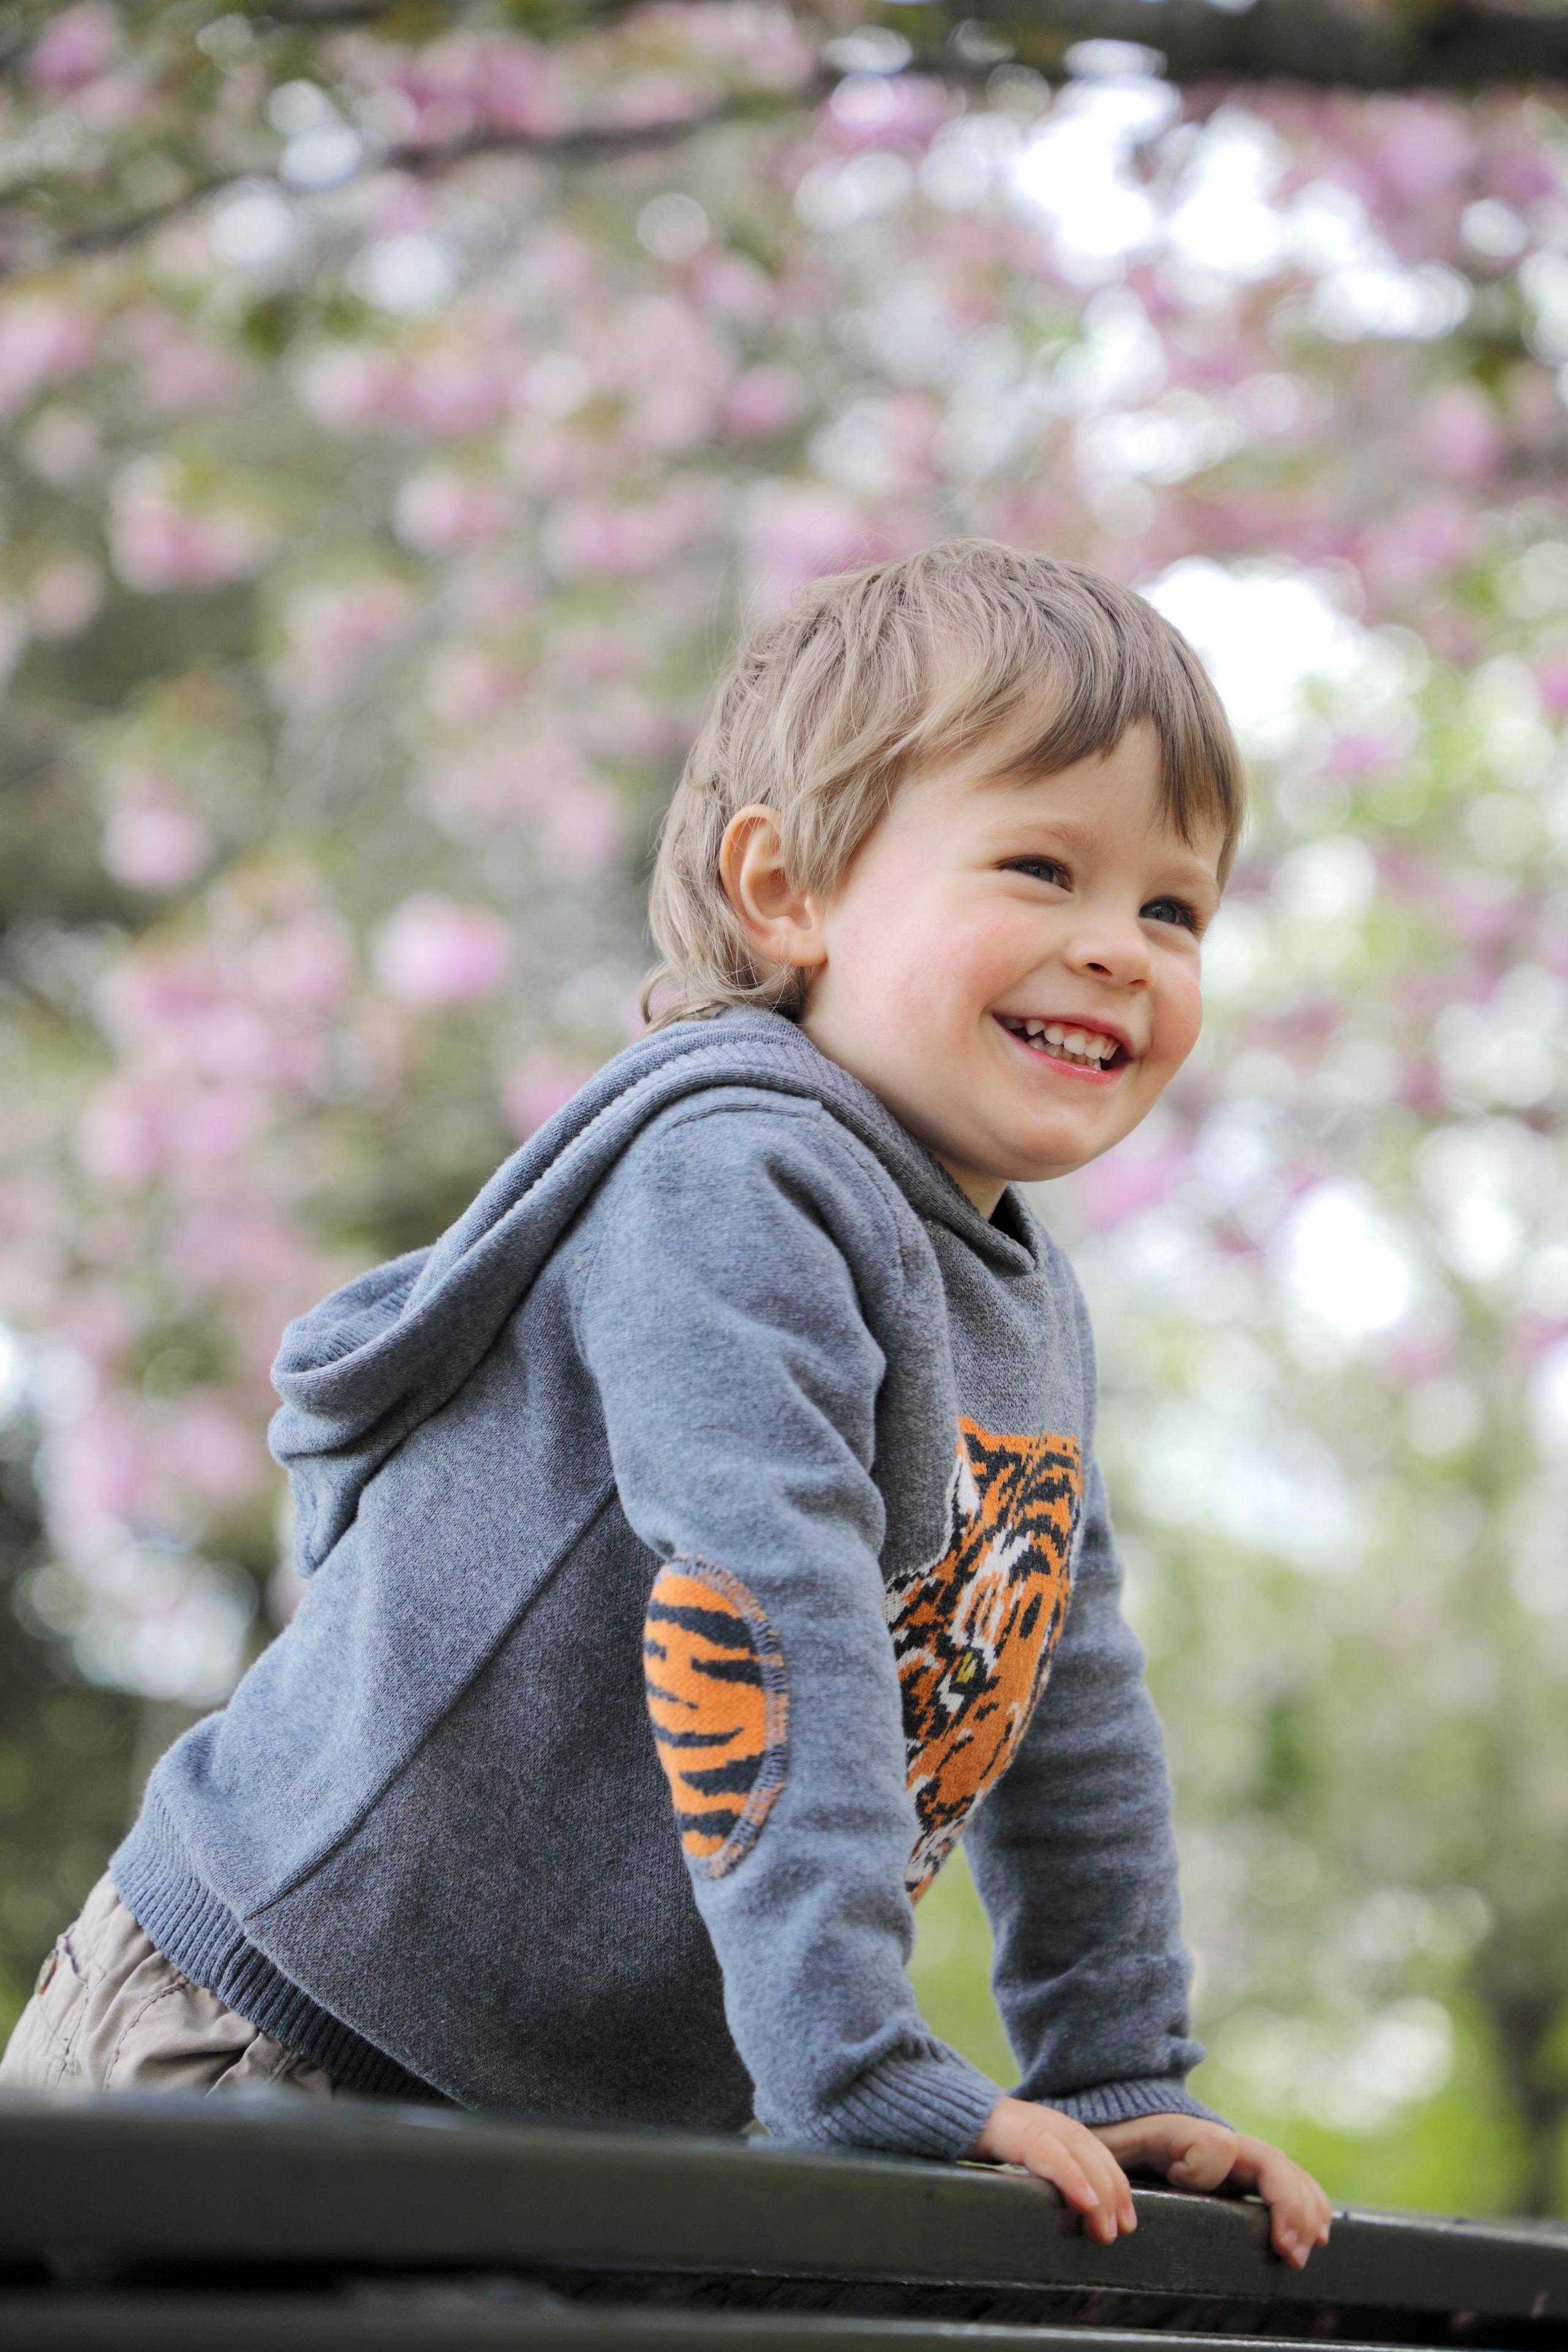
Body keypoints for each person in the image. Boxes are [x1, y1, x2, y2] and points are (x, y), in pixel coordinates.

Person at [3, 540, 1330, 2268]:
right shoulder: (737, 1176)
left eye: (1173, 908)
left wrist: (1116, 2074)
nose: (1118, 950)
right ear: (789, 893)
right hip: (268, 2042)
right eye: (1042, 866)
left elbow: (1064, 1698)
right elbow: (765, 1607)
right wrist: (857, 2068)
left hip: (539, 2123)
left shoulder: (1018, 1286)